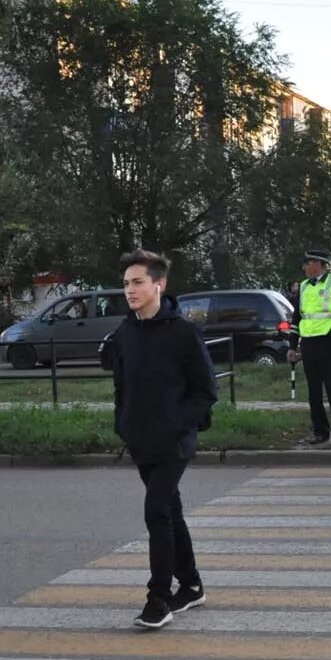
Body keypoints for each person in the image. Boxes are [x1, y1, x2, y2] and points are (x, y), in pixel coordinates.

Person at [107, 247, 219, 631]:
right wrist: (122, 422)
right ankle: (191, 584)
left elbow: (207, 391)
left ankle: (159, 598)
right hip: (140, 439)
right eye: (126, 284)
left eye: (138, 282)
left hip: (174, 440)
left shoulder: (184, 333)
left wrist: (177, 422)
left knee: (156, 510)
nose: (130, 290)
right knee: (169, 511)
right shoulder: (126, 333)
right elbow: (122, 385)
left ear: (160, 284)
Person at [286, 248, 331, 446]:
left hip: (330, 341)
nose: (305, 267)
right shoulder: (304, 287)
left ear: (319, 263)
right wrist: (292, 345)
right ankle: (320, 431)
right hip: (309, 343)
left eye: (308, 263)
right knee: (314, 391)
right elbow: (297, 318)